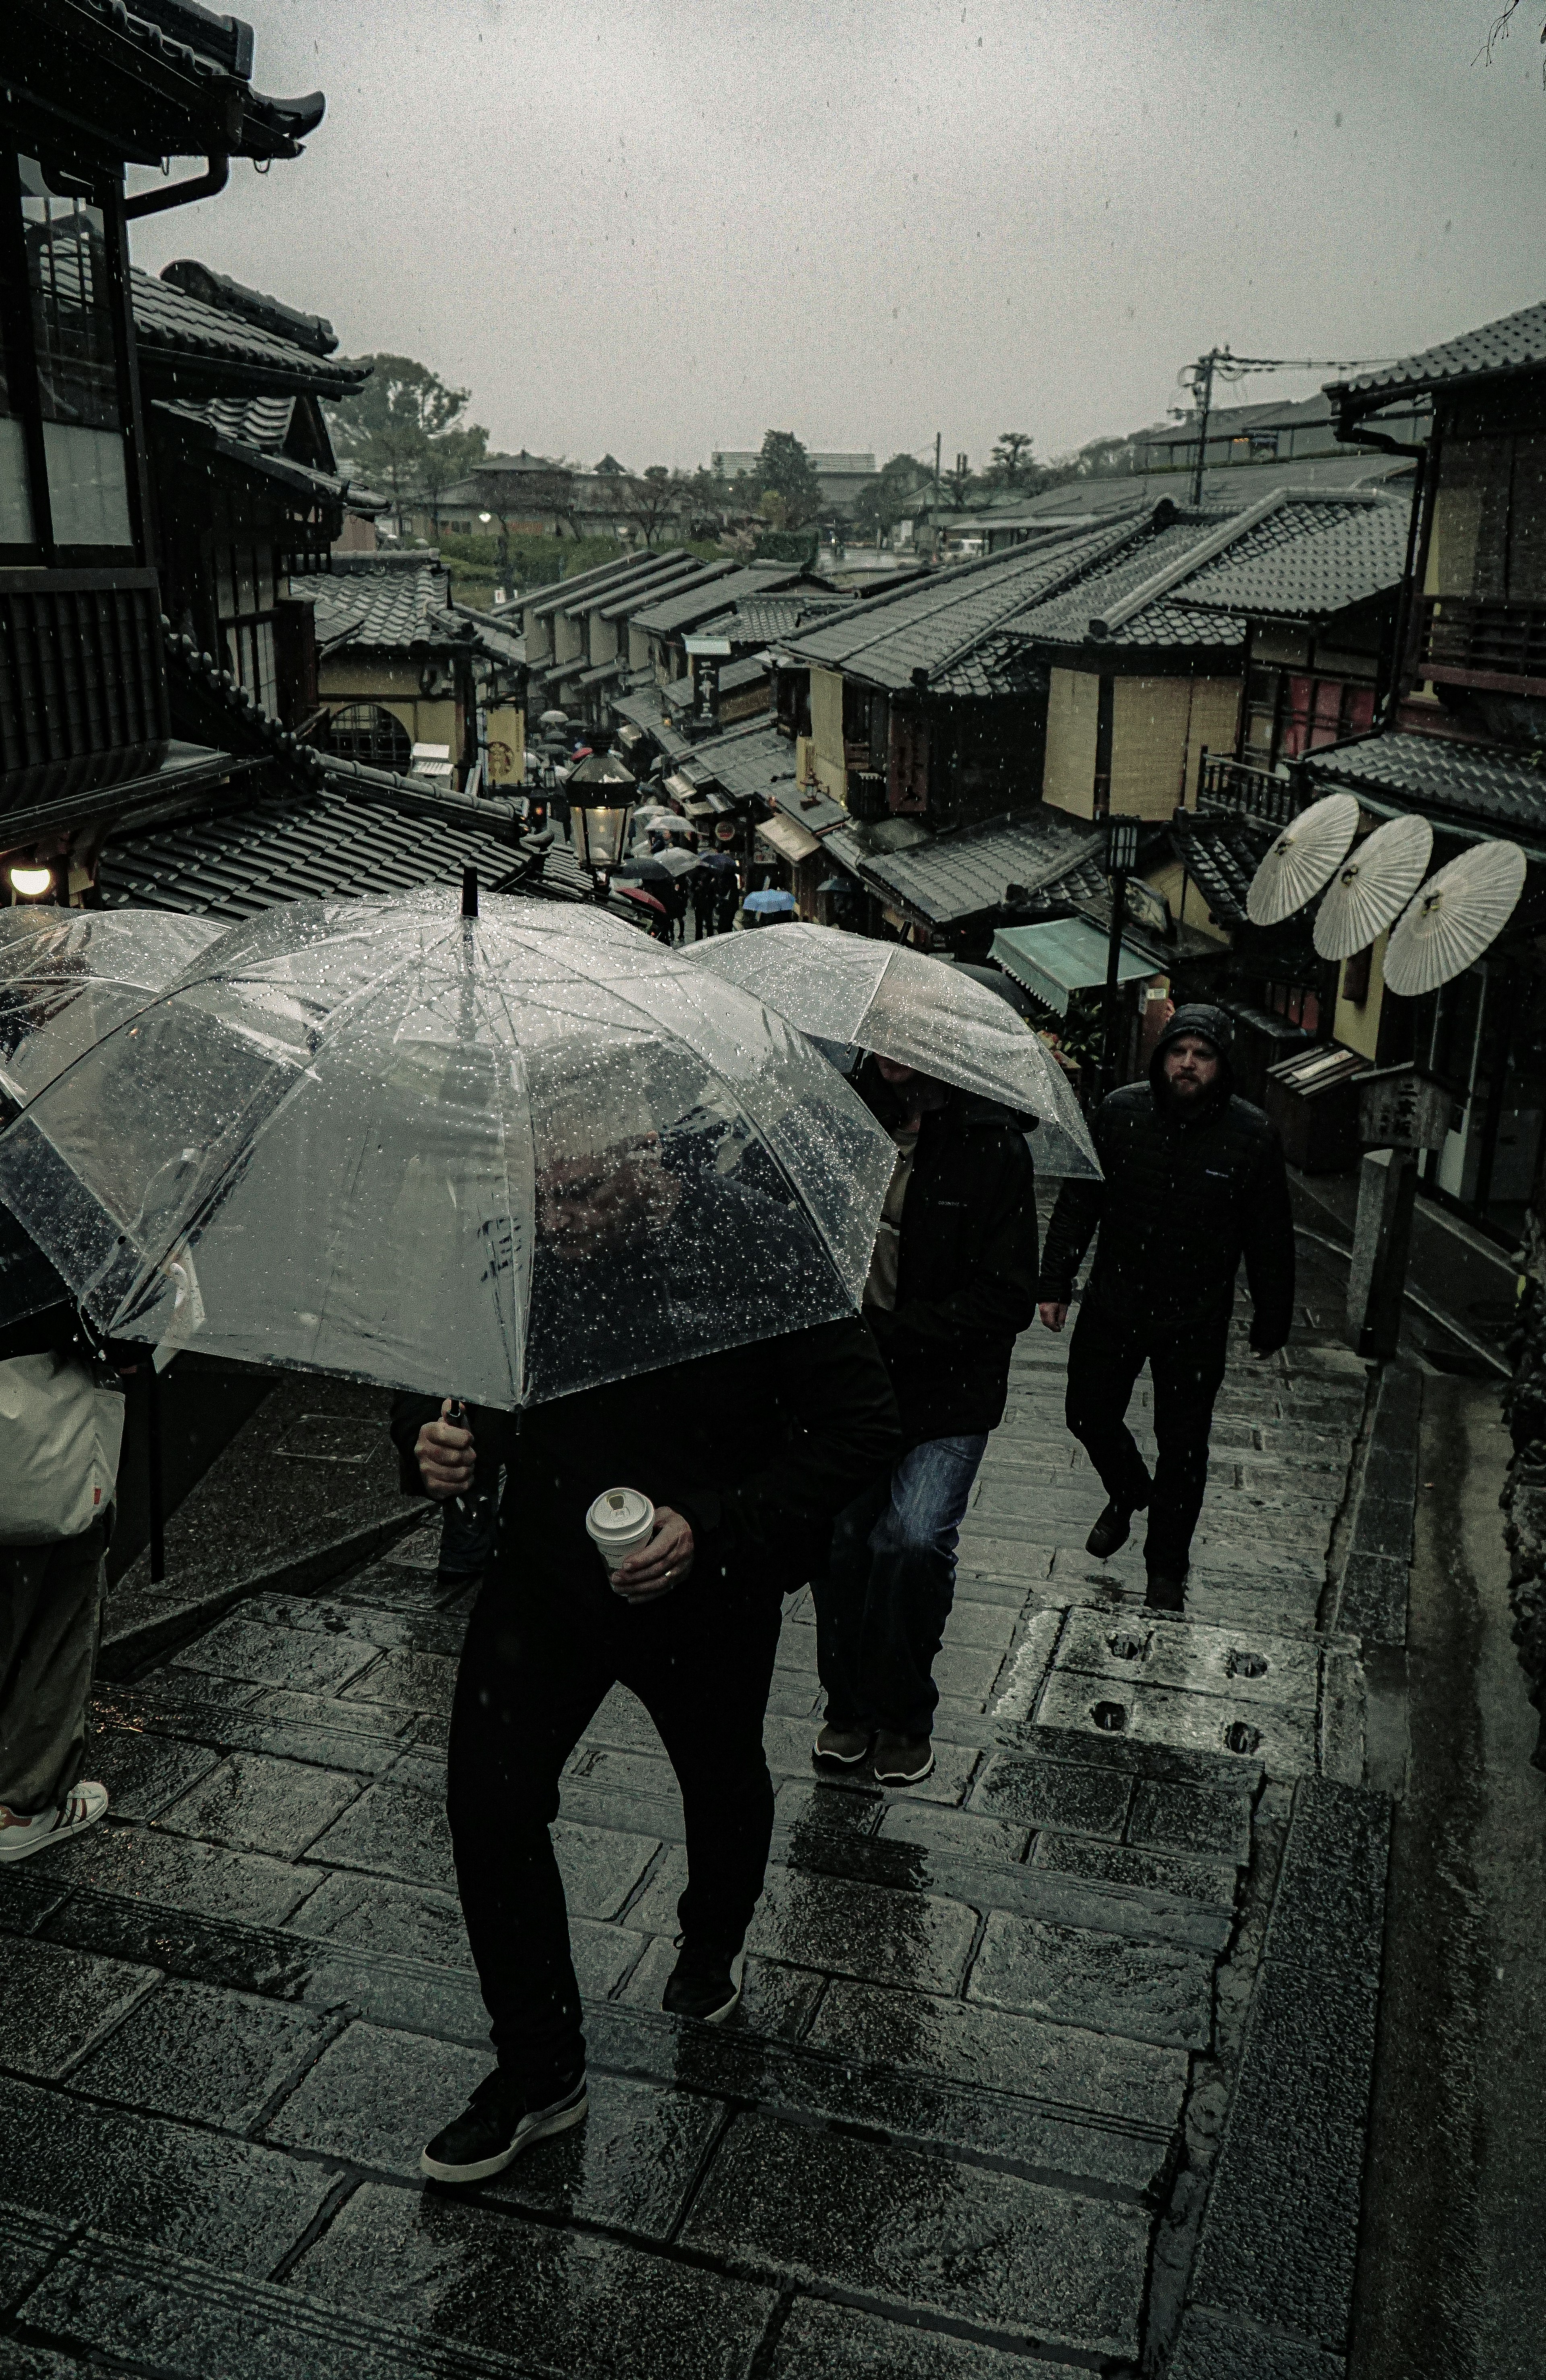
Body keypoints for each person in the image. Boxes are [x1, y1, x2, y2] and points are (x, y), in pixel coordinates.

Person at [392, 1141, 899, 2189]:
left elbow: (860, 1426)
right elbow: (450, 1378)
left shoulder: (757, 1240)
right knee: (488, 1803)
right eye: (539, 1192)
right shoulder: (509, 1236)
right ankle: (540, 2072)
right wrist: (429, 1445)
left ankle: (712, 1938)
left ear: (649, 1156)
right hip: (544, 1579)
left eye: (579, 1193)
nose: (558, 1218)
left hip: (706, 1592)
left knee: (722, 1779)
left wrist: (713, 1529)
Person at [810, 1054, 1039, 1786]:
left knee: (909, 1541)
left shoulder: (991, 1144)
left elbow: (1007, 1298)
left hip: (949, 1387)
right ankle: (847, 1708)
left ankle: (906, 1714)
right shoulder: (840, 1120)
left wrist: (902, 1331)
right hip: (853, 1383)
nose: (895, 1050)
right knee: (842, 1541)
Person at [1037, 1003, 1295, 1613]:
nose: (1187, 1064)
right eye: (1179, 1052)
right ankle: (1128, 1488)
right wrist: (1055, 1281)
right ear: (1162, 1057)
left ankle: (1166, 1571)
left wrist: (1272, 1314)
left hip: (1194, 1318)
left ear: (1221, 1065)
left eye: (1202, 1055)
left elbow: (1270, 1234)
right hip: (1115, 1300)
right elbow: (1081, 1198)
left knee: (1184, 1448)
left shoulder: (1251, 1135)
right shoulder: (1121, 1112)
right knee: (1087, 1413)